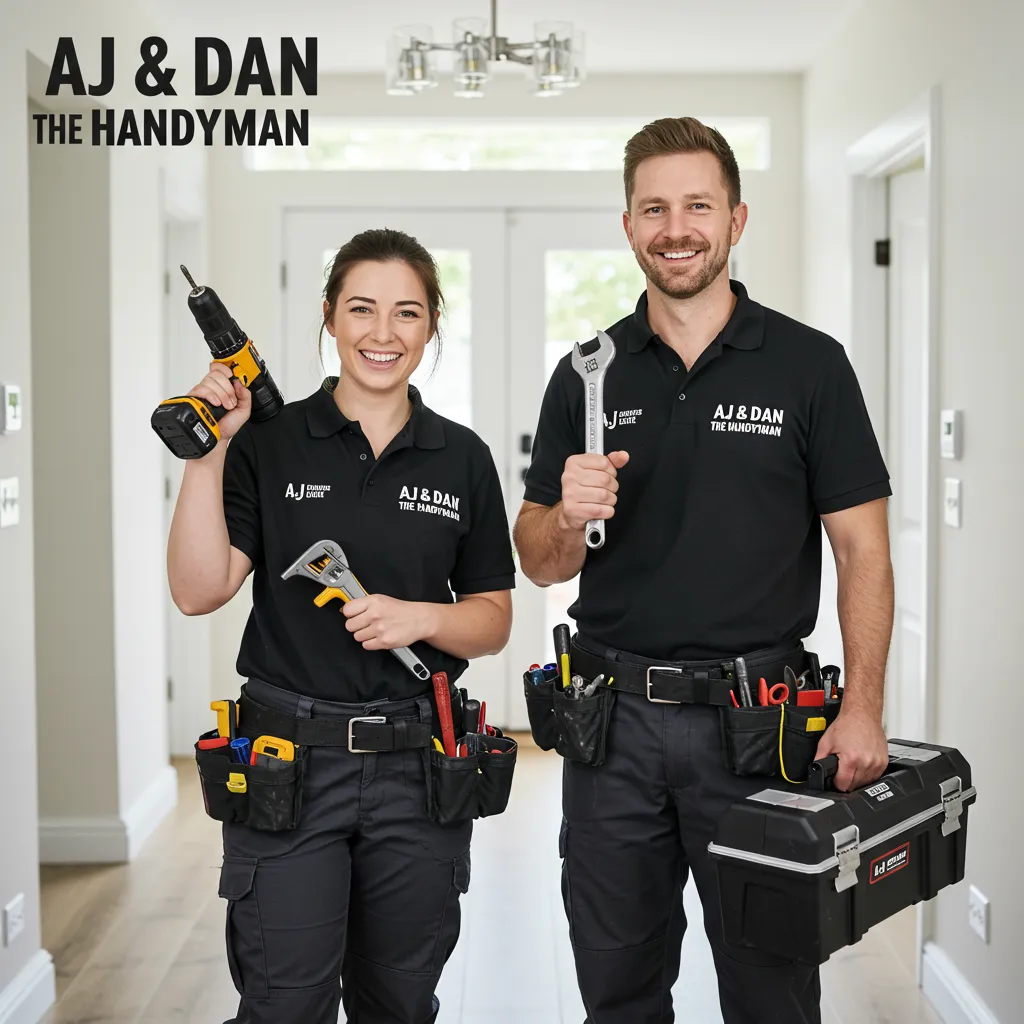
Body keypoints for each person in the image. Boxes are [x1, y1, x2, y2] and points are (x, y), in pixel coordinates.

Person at [513, 117, 893, 1024]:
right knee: (617, 987)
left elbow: (863, 550)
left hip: (760, 729)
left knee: (770, 990)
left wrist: (864, 705)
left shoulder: (810, 366)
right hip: (612, 731)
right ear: (629, 225)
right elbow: (536, 560)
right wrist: (565, 515)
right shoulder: (586, 375)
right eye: (654, 207)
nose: (675, 227)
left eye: (696, 205)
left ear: (736, 219)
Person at [167, 228, 515, 1024]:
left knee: (398, 1002)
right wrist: (207, 453)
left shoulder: (461, 458)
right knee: (285, 1004)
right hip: (290, 765)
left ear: (432, 326)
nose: (382, 334)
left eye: (407, 313)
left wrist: (418, 618)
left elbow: (492, 622)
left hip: (418, 770)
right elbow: (197, 589)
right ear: (329, 317)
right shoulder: (269, 442)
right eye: (361, 309)